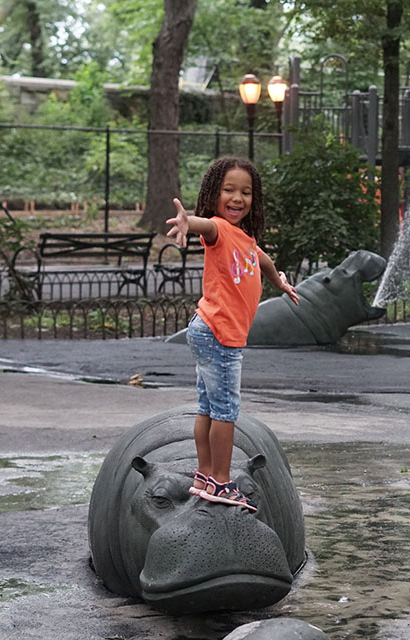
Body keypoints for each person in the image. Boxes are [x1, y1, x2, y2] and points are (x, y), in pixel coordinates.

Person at [166, 156, 300, 512]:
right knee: (225, 411)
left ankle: (204, 476)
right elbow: (204, 227)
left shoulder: (244, 238)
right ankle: (222, 483)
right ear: (214, 194)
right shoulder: (219, 229)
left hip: (208, 330)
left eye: (245, 191)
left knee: (209, 408)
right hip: (219, 334)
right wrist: (187, 222)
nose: (237, 198)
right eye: (229, 190)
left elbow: (264, 260)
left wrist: (280, 283)